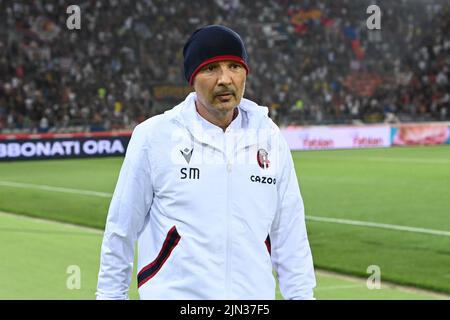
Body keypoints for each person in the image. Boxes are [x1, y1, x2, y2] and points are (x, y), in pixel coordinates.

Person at [96, 25, 316, 300]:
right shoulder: (154, 136)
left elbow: (290, 234)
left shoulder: (270, 137)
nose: (225, 79)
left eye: (234, 66)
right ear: (192, 78)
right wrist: (110, 296)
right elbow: (121, 229)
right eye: (211, 68)